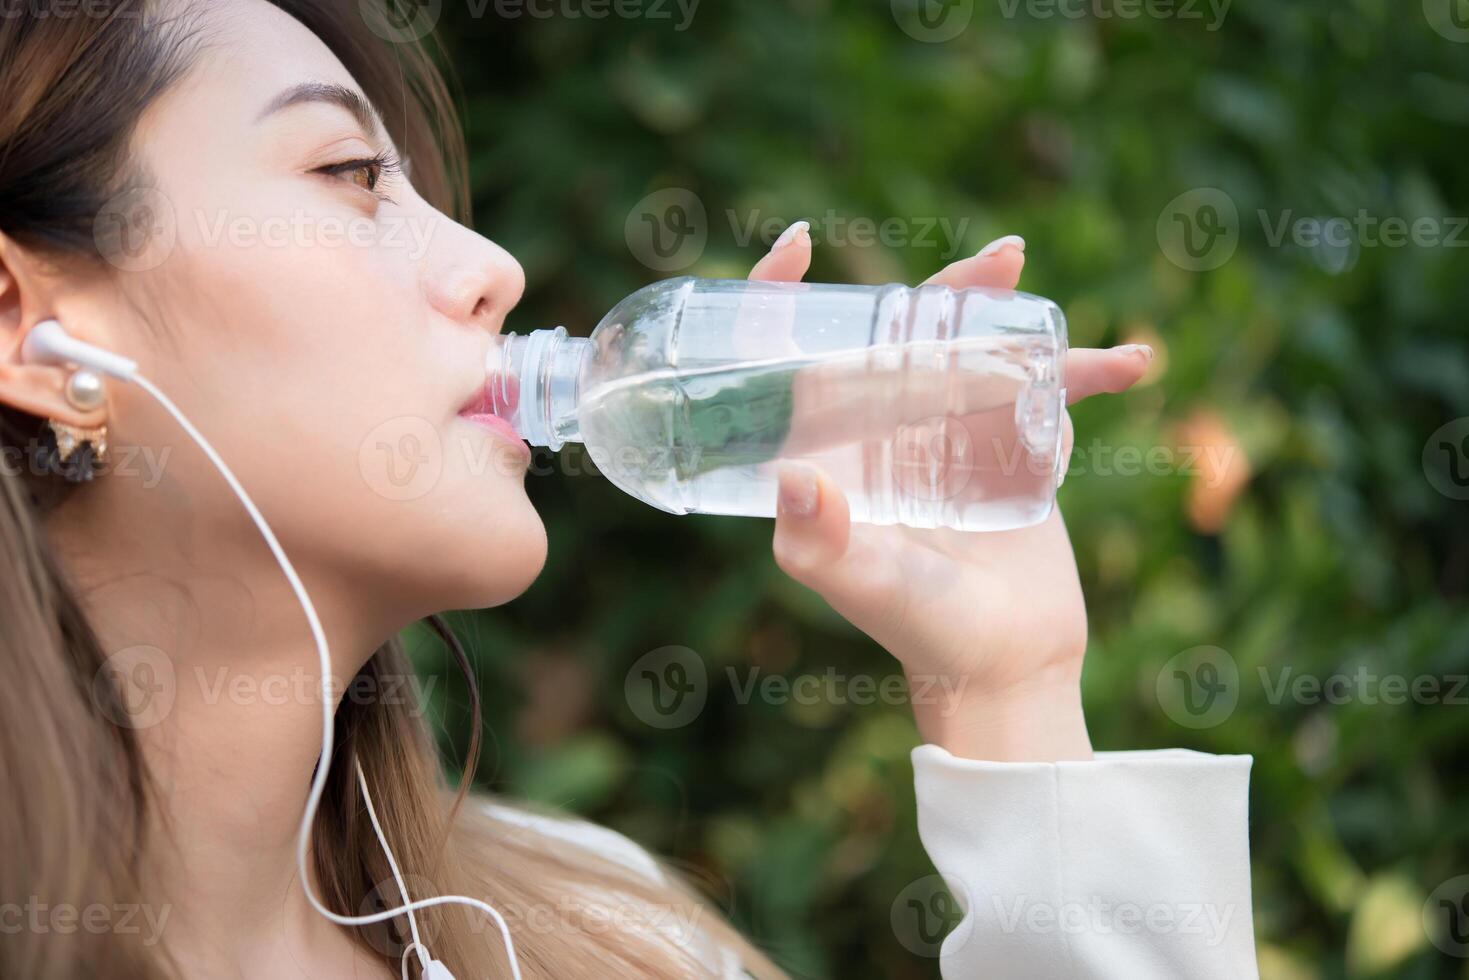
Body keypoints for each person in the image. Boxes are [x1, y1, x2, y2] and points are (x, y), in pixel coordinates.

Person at [0, 1, 1259, 977]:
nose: (491, 268)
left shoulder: (604, 930)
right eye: (348, 175)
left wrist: (1012, 698)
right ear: (25, 328)